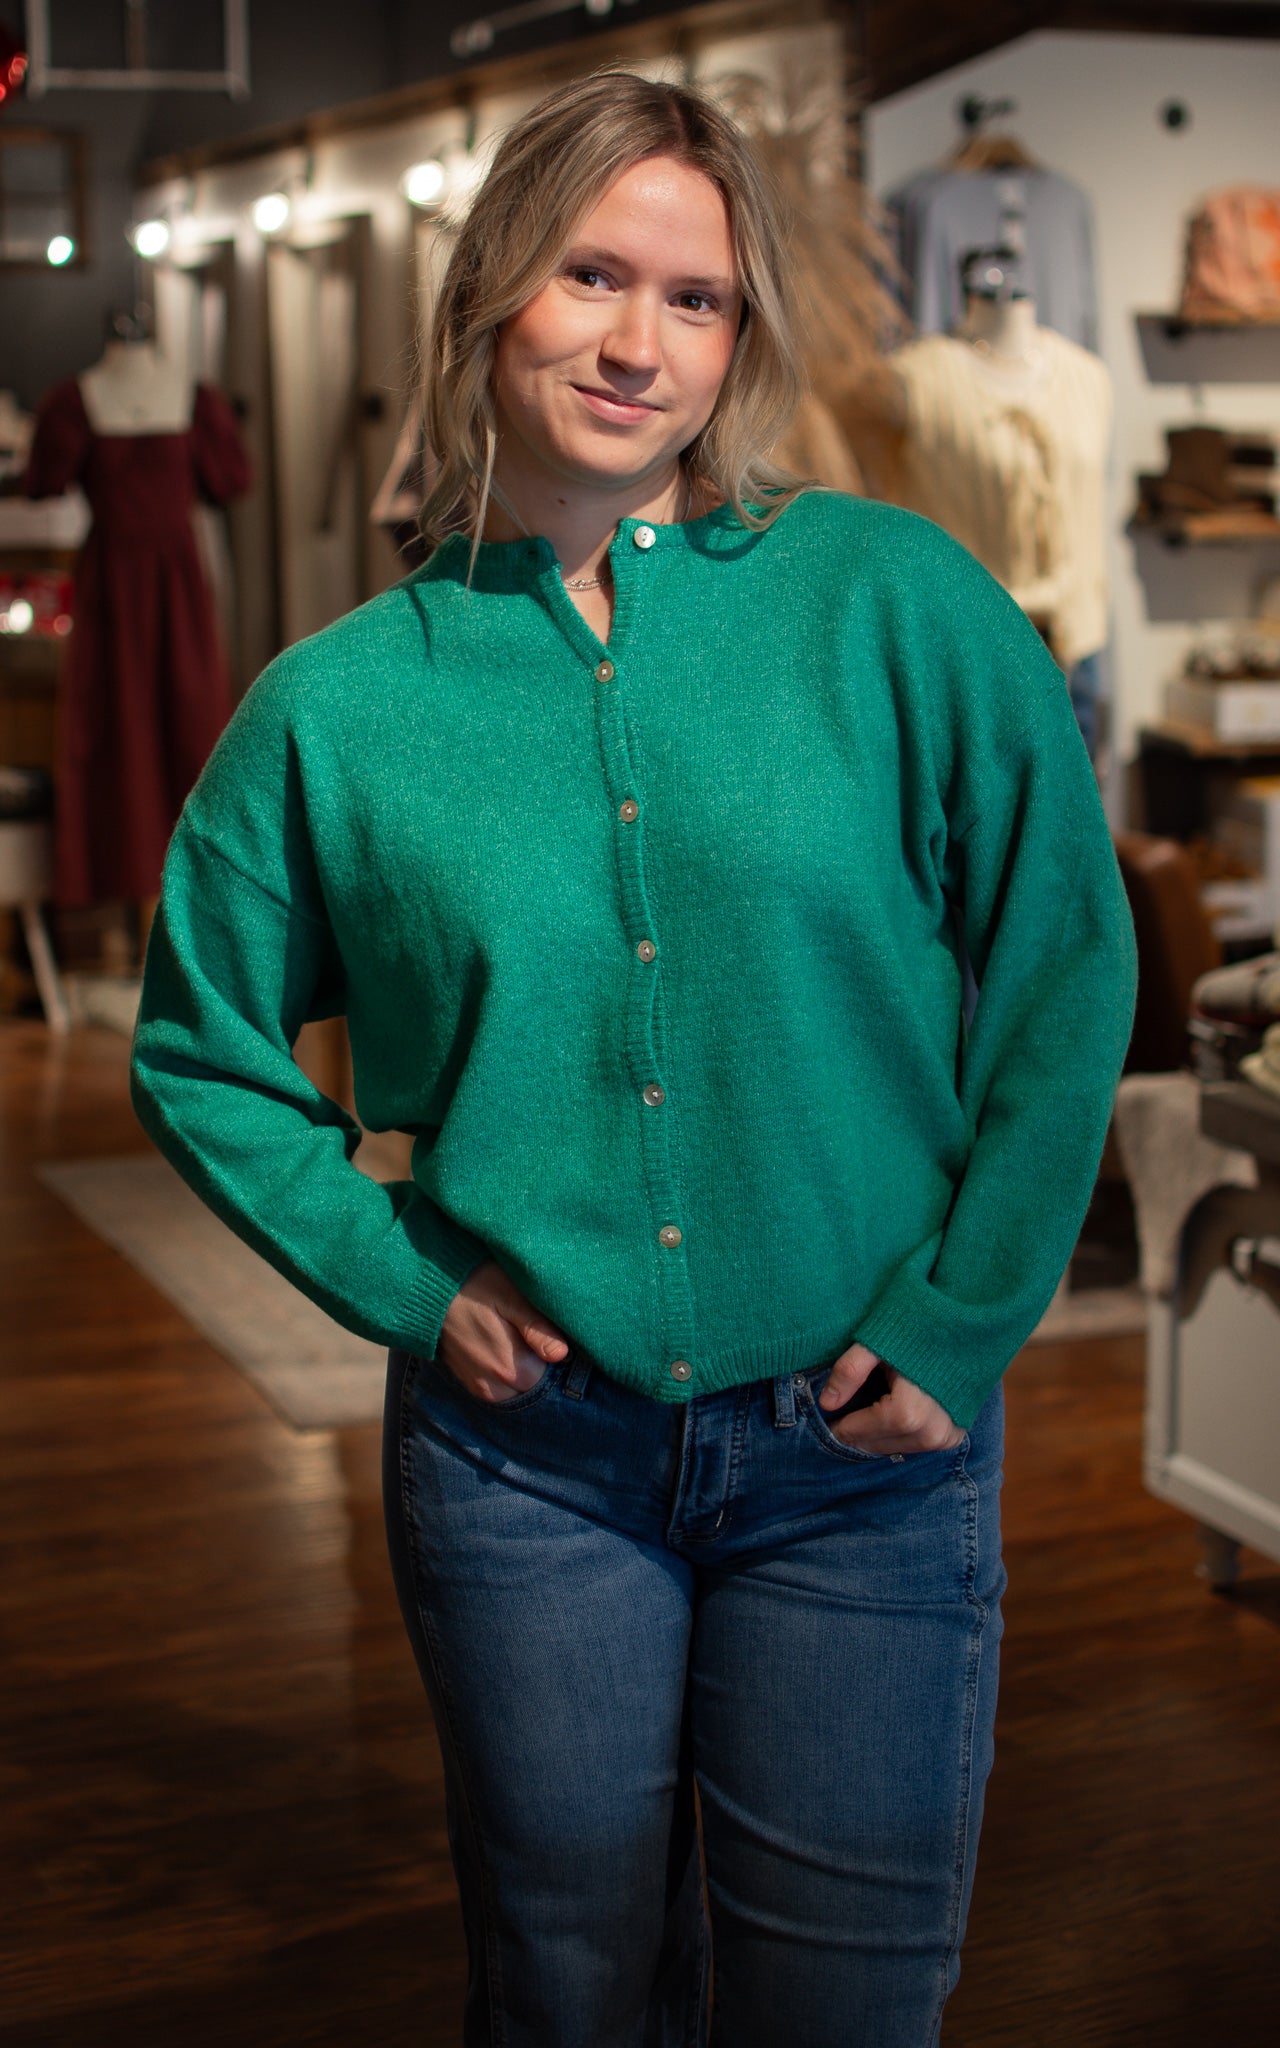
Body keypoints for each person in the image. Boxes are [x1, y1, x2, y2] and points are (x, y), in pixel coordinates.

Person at [130, 69, 1138, 2048]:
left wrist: (968, 1308)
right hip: (532, 1468)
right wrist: (398, 1275)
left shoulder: (891, 604)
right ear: (489, 290)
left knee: (847, 2004)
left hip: (863, 1452)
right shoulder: (339, 707)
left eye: (696, 300)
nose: (639, 345)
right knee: (570, 1992)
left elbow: (1063, 955)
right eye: (592, 275)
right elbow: (199, 1048)